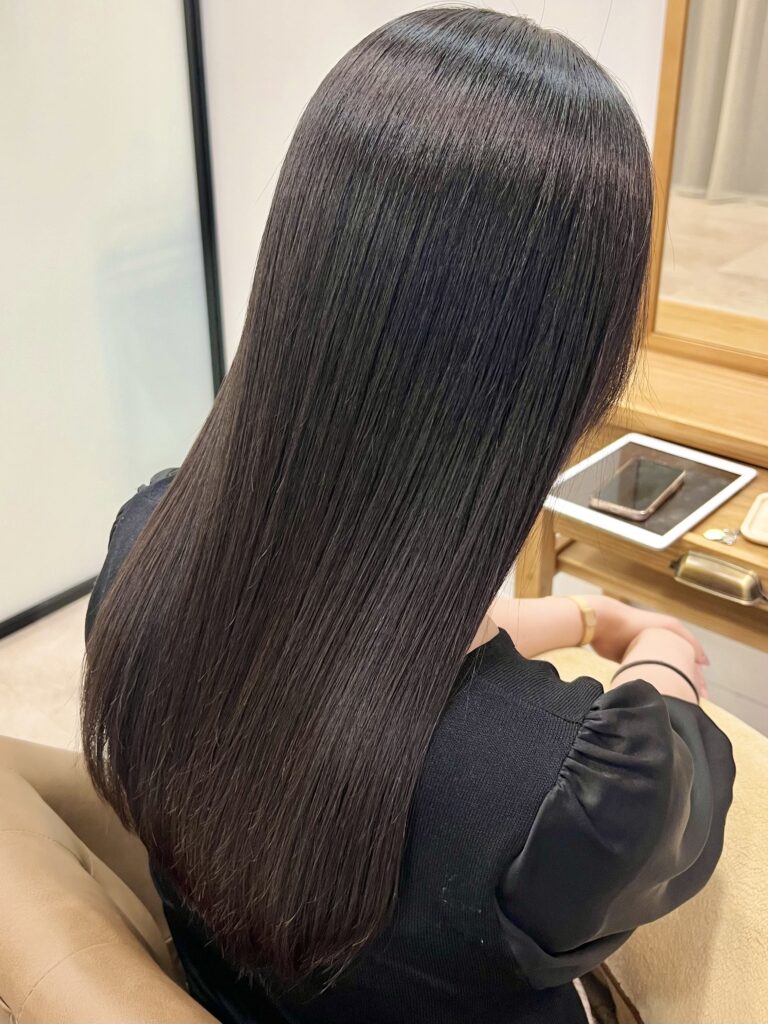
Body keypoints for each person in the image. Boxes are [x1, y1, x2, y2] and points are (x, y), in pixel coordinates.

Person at [83, 10, 734, 1024]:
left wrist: (583, 616)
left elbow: (373, 657)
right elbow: (672, 759)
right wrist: (660, 649)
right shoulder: (561, 802)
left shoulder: (143, 555)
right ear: (573, 368)